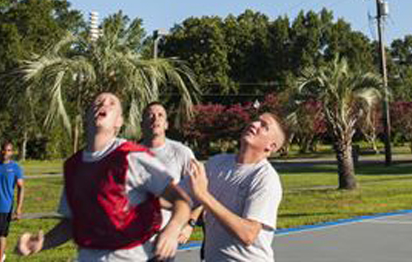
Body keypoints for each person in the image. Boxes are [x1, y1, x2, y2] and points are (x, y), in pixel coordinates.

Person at [16, 92, 192, 261]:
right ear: (86, 116)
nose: (103, 104)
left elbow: (182, 201)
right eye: (98, 102)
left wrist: (173, 230)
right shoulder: (73, 166)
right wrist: (40, 244)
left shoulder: (132, 156)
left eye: (111, 103)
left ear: (119, 121)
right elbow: (72, 223)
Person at [187, 112, 285, 262]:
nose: (254, 124)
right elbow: (181, 196)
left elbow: (248, 234)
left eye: (264, 127)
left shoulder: (265, 178)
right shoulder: (216, 163)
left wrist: (204, 196)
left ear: (270, 147)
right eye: (256, 120)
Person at [140, 101, 198, 248]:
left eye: (160, 115)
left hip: (164, 240)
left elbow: (202, 192)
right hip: (132, 239)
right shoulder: (130, 154)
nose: (155, 118)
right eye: (150, 115)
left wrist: (190, 224)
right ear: (142, 124)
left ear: (166, 124)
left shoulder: (182, 153)